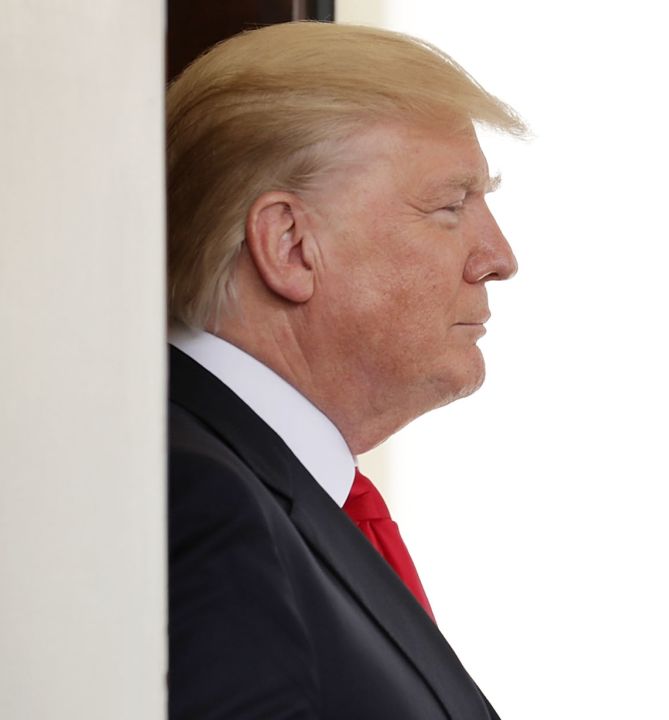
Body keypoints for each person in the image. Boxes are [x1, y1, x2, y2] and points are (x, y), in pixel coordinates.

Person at [165, 21, 522, 719]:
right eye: (451, 206)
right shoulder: (202, 499)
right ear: (291, 245)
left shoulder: (253, 486)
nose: (499, 256)